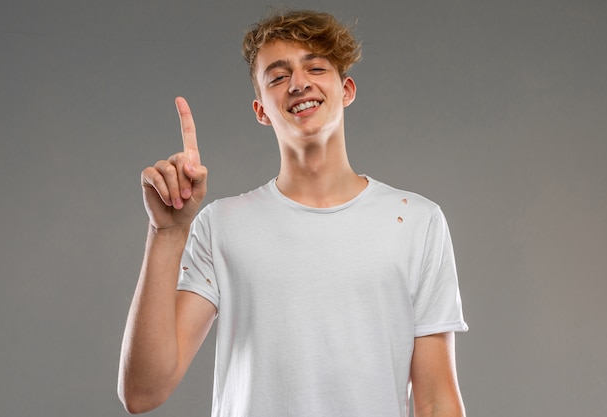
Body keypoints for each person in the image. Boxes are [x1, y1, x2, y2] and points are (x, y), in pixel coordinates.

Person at [118, 9, 468, 417]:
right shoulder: (222, 225)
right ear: (261, 110)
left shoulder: (417, 222)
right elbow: (143, 392)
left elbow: (436, 399)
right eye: (278, 77)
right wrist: (167, 233)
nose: (299, 84)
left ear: (347, 89)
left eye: (316, 68)